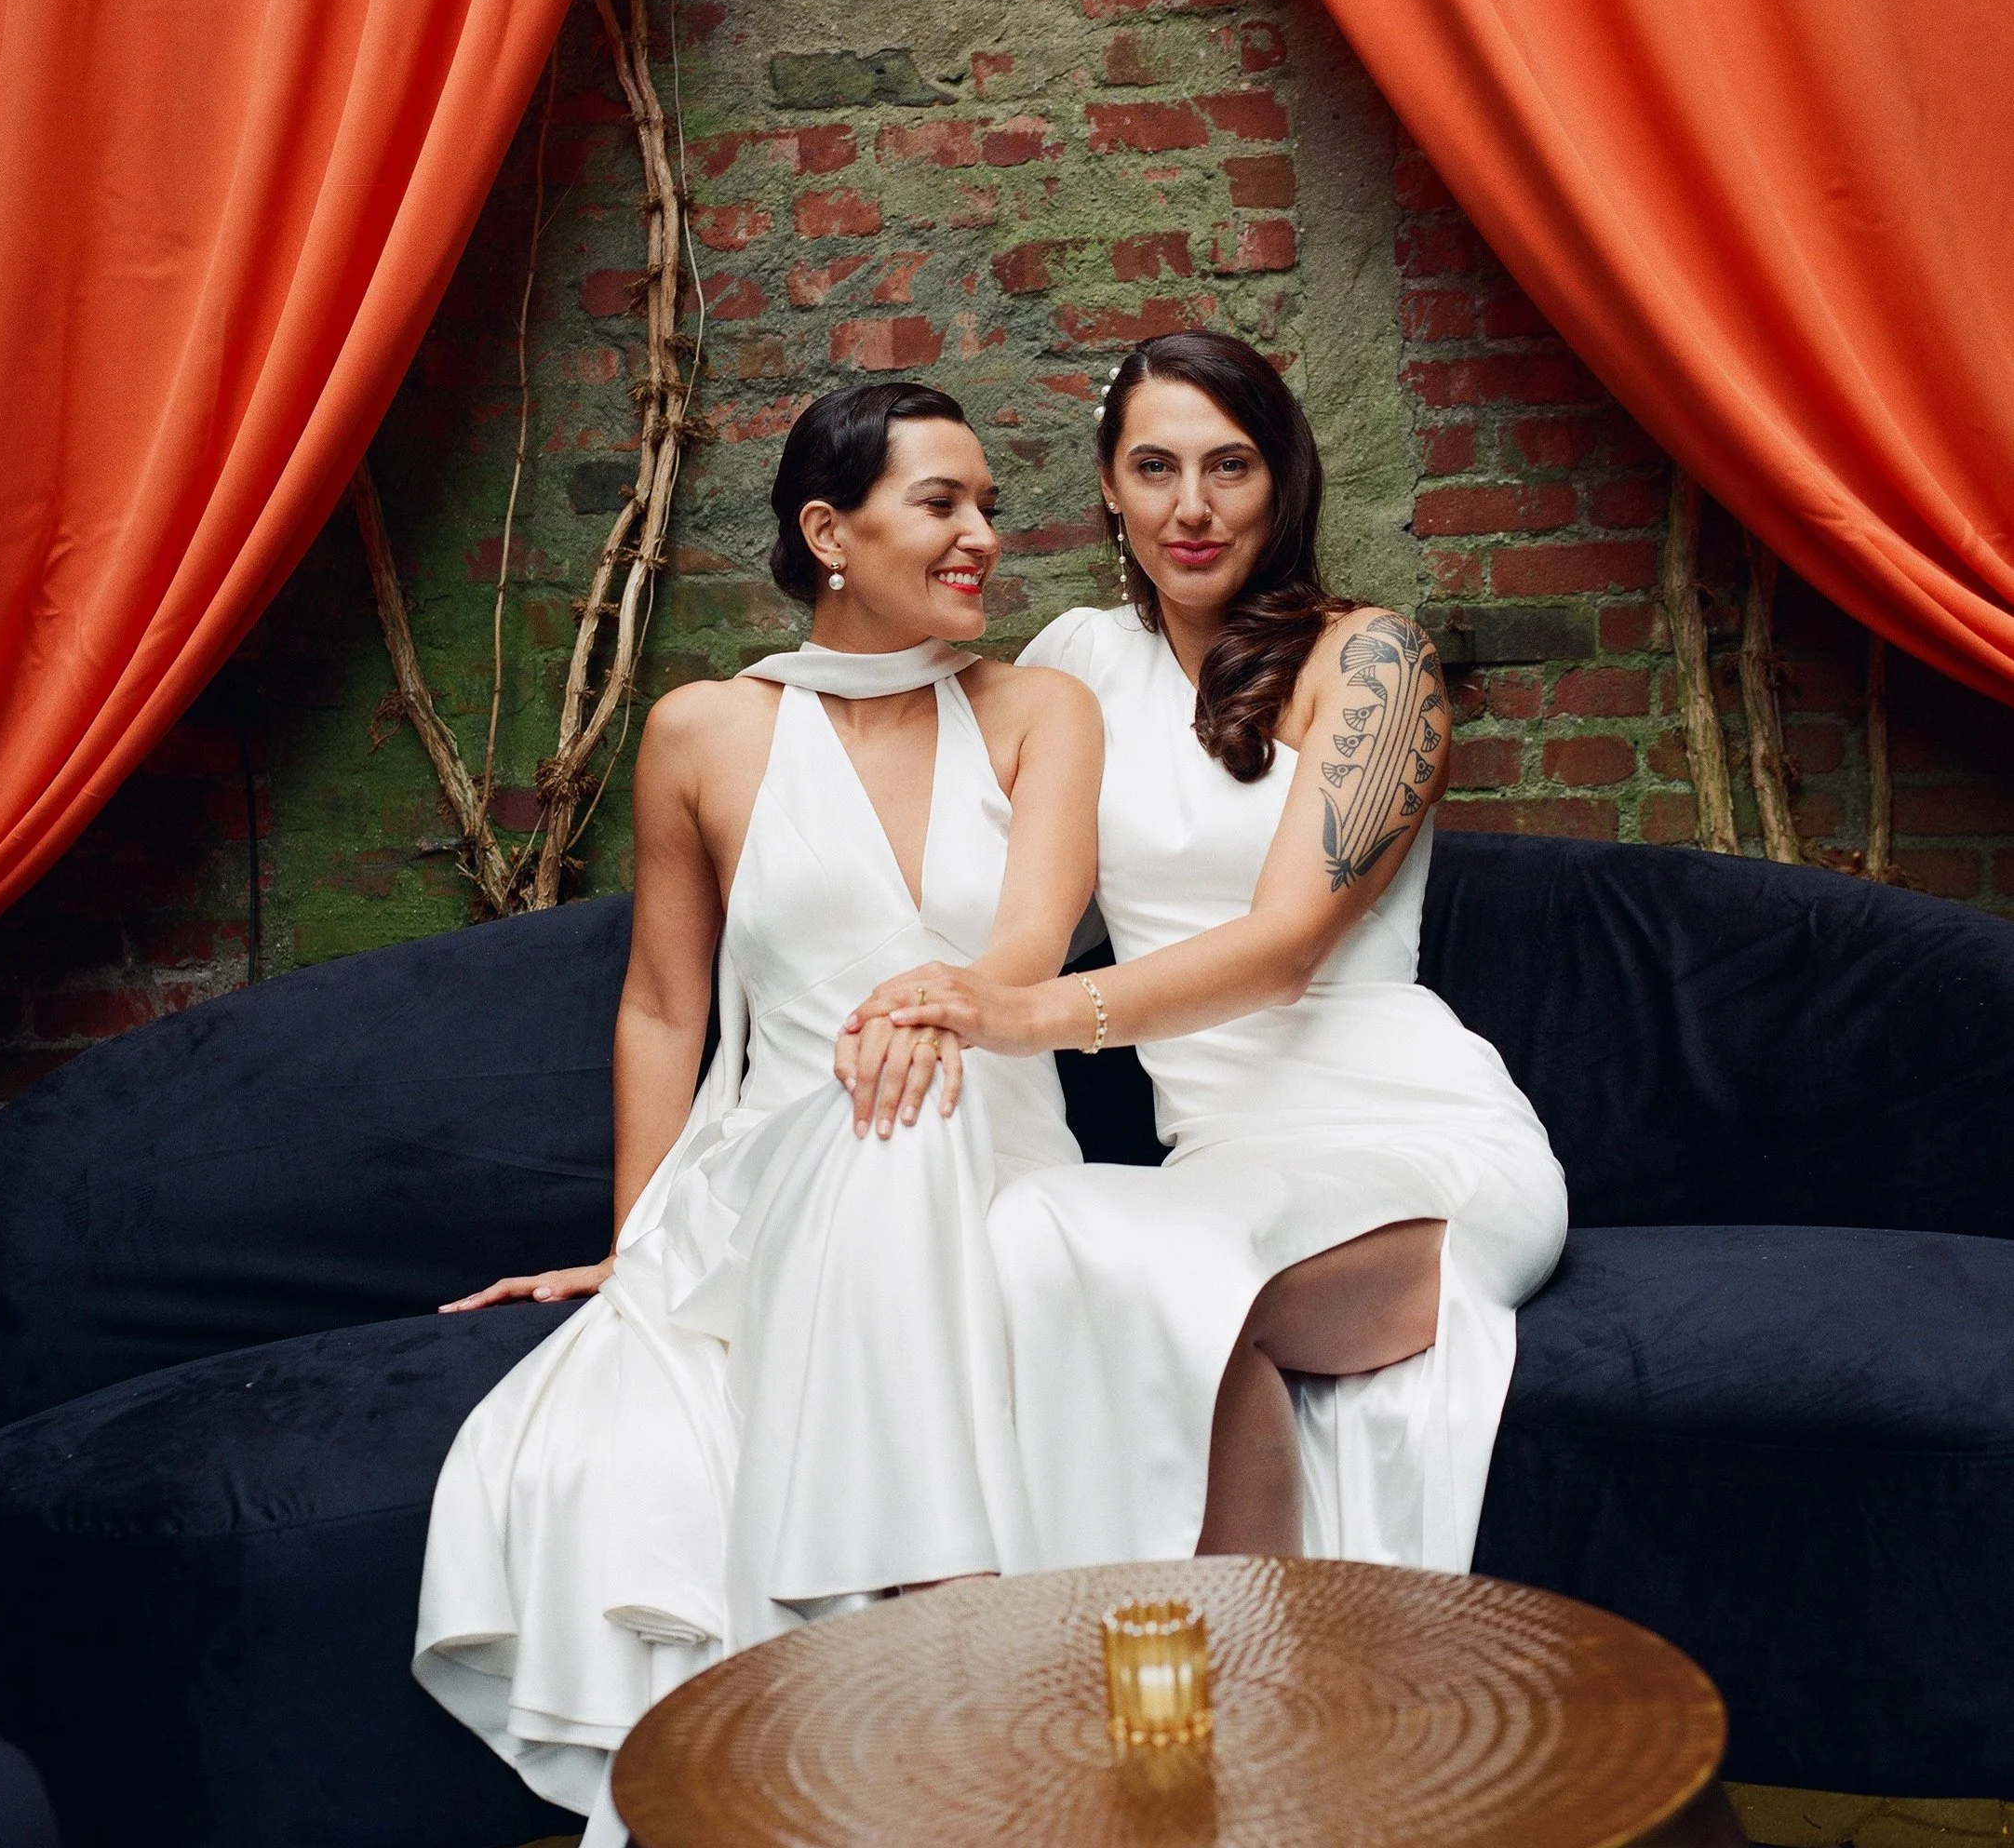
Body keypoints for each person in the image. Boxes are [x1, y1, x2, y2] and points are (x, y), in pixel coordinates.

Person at [410, 381, 1100, 1843]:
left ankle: (922, 1659)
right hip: (771, 1176)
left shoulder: (1043, 710)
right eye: (942, 504)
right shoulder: (705, 733)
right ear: (826, 532)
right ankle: (957, 1641)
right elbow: (665, 1008)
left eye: (989, 505)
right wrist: (639, 1243)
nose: (983, 534)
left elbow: (1029, 946)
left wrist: (932, 1005)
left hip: (997, 1138)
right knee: (873, 1119)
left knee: (911, 1098)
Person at [849, 329, 1568, 1573]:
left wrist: (1018, 1017)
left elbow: (1284, 948)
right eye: (1154, 469)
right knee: (1029, 1244)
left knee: (1139, 1269)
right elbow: (986, 904)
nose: (1190, 508)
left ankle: (1255, 1693)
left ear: (1282, 484)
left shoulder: (1371, 659)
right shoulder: (1076, 664)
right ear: (1108, 491)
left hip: (1407, 1143)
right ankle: (1092, 1696)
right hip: (1221, 1162)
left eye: (1228, 468)